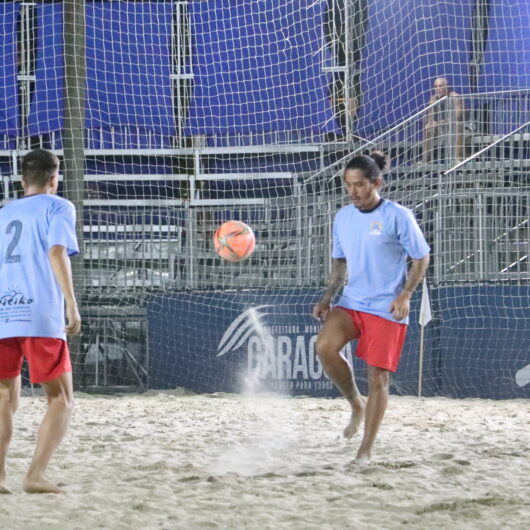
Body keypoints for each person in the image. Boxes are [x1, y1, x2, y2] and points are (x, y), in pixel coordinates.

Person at [312, 151, 430, 463]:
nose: (353, 192)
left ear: (376, 183)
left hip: (386, 309)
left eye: (360, 185)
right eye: (348, 185)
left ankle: (364, 452)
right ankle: (355, 404)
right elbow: (339, 264)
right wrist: (327, 297)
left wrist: (405, 294)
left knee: (378, 380)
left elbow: (421, 257)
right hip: (352, 302)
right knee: (324, 346)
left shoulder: (398, 215)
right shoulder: (343, 217)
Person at [0, 149, 81, 494]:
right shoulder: (59, 205)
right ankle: (34, 475)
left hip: (3, 311)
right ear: (54, 179)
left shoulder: (3, 213)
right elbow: (56, 251)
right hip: (39, 313)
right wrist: (71, 305)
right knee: (61, 398)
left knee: (3, 394)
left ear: (21, 181)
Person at [422, 77, 464, 163]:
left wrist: (438, 123)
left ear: (446, 87)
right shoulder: (434, 99)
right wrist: (431, 122)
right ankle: (425, 160)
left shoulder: (456, 97)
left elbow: (457, 118)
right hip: (442, 127)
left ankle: (458, 159)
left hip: (458, 127)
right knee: (428, 128)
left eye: (440, 86)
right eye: (436, 86)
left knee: (458, 125)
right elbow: (430, 118)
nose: (437, 89)